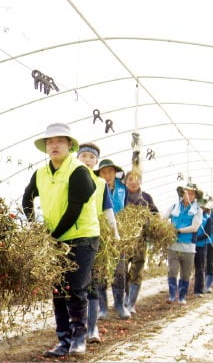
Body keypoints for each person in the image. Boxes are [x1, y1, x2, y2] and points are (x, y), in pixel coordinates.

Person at [22, 123, 100, 357]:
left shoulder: (78, 171)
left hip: (82, 237)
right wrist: (34, 226)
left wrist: (51, 237)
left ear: (69, 145)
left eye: (59, 141)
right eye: (50, 142)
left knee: (75, 288)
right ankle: (63, 340)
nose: (54, 145)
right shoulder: (41, 173)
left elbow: (75, 209)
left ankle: (79, 338)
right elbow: (27, 198)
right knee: (58, 289)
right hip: (54, 241)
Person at [75, 142, 119, 343]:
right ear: (77, 157)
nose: (87, 160)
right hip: (70, 238)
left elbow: (108, 210)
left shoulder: (101, 184)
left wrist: (114, 232)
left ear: (96, 162)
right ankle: (75, 329)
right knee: (73, 286)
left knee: (91, 283)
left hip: (93, 238)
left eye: (92, 157)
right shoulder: (68, 178)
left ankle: (92, 329)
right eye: (84, 156)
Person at [94, 158, 131, 319]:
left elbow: (127, 208)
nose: (107, 175)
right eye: (104, 172)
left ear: (115, 173)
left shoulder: (123, 188)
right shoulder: (96, 186)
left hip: (118, 233)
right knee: (100, 271)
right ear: (99, 173)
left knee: (120, 271)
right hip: (101, 232)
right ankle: (103, 308)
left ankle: (119, 305)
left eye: (110, 171)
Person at [122, 170, 159, 313]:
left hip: (140, 241)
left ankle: (131, 304)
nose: (133, 182)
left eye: (136, 179)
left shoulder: (146, 198)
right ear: (126, 181)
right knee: (122, 271)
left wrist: (152, 223)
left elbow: (155, 214)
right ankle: (125, 298)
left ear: (141, 181)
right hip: (123, 241)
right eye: (130, 179)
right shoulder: (121, 195)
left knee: (136, 271)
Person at [162, 182, 203, 305]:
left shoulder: (197, 210)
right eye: (186, 192)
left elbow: (195, 227)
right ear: (182, 194)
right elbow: (164, 219)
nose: (188, 195)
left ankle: (182, 296)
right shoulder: (174, 206)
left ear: (195, 196)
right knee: (172, 270)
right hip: (173, 245)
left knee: (185, 273)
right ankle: (172, 295)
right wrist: (168, 228)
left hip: (188, 247)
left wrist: (179, 230)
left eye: (192, 193)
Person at [193, 198, 212, 297]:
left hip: (201, 246)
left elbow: (208, 233)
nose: (201, 208)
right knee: (187, 269)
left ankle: (198, 290)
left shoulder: (207, 218)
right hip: (190, 245)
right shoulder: (193, 216)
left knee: (200, 268)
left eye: (203, 207)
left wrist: (195, 239)